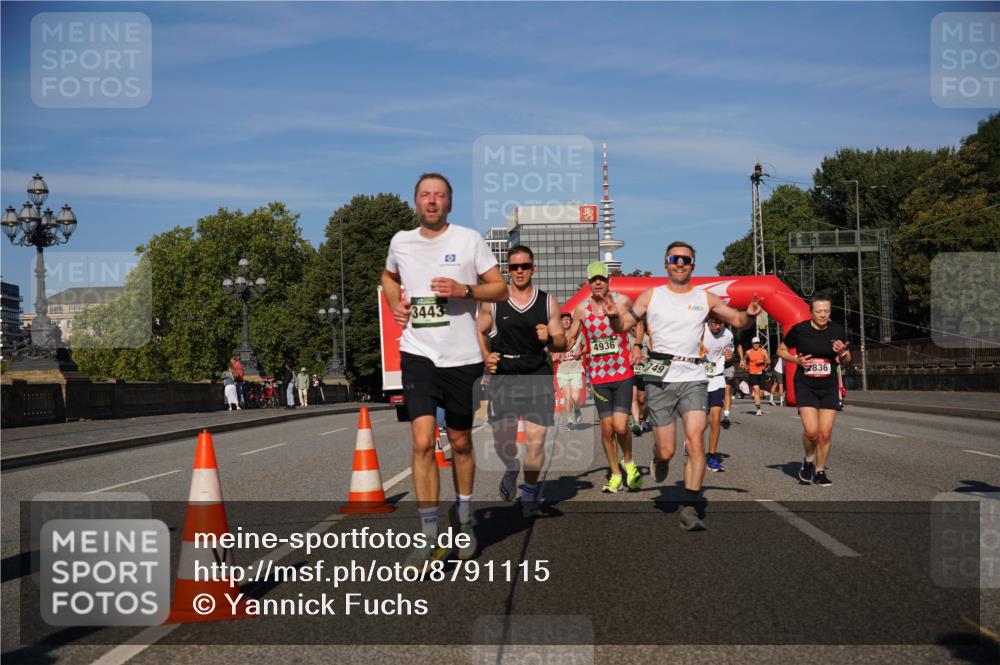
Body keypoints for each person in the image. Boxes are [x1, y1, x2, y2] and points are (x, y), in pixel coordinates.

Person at [381, 172, 507, 566]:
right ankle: (429, 535)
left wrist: (464, 290)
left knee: (461, 442)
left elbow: (500, 288)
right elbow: (388, 276)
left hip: (462, 358)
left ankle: (464, 518)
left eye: (439, 195)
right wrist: (395, 304)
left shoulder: (469, 240)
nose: (432, 201)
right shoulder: (401, 241)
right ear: (415, 202)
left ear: (449, 203)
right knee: (422, 441)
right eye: (425, 195)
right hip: (418, 353)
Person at [606, 241, 759, 531]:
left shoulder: (705, 298)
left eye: (685, 260)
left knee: (696, 439)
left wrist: (750, 314)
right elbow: (622, 325)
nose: (680, 263)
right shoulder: (651, 295)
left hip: (694, 376)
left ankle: (689, 507)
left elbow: (739, 320)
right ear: (666, 263)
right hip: (661, 377)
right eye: (675, 258)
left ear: (693, 265)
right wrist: (614, 315)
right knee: (667, 450)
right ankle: (659, 458)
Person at [478, 245, 566, 517]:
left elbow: (561, 342)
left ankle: (528, 494)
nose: (519, 271)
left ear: (533, 268)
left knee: (536, 441)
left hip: (536, 372)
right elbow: (479, 331)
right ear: (507, 270)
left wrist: (549, 338)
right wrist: (486, 356)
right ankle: (511, 467)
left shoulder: (547, 301)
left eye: (524, 266)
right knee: (502, 442)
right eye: (514, 267)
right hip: (504, 374)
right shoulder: (494, 301)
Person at [565, 261, 643, 493]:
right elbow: (570, 337)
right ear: (588, 283)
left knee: (621, 426)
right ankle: (615, 473)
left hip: (622, 372)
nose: (598, 283)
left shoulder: (622, 301)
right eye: (593, 280)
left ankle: (628, 461)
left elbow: (639, 323)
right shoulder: (581, 309)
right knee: (607, 429)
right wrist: (554, 341)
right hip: (598, 376)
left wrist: (637, 345)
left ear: (608, 280)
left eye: (601, 279)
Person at [778, 295, 851, 487]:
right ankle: (809, 460)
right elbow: (781, 350)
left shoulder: (837, 330)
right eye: (819, 311)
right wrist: (796, 360)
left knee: (825, 433)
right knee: (811, 432)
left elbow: (847, 360)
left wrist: (843, 352)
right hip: (806, 385)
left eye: (826, 311)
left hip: (829, 386)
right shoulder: (800, 330)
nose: (823, 314)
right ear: (811, 313)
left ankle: (820, 471)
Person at [702, 315, 734, 472]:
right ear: (709, 321)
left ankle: (712, 457)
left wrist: (730, 356)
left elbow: (730, 355)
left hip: (717, 379)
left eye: (721, 323)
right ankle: (691, 442)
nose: (718, 326)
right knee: (701, 421)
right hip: (699, 378)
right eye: (715, 323)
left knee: (715, 419)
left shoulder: (728, 335)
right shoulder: (699, 330)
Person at [554, 312, 585, 429]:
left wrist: (581, 352)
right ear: (561, 322)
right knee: (567, 397)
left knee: (575, 397)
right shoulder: (557, 336)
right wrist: (554, 355)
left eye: (568, 319)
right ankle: (569, 419)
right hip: (562, 371)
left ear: (571, 321)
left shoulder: (578, 334)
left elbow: (587, 347)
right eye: (564, 319)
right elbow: (552, 350)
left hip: (576, 369)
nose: (566, 321)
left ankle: (576, 409)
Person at [741, 337, 770, 416]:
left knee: (761, 393)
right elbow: (744, 359)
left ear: (759, 343)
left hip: (762, 373)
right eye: (754, 343)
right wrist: (744, 365)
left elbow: (769, 361)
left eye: (757, 343)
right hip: (752, 373)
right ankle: (758, 409)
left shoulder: (763, 351)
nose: (756, 344)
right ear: (752, 344)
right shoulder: (748, 352)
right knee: (756, 390)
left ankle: (757, 396)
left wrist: (762, 361)